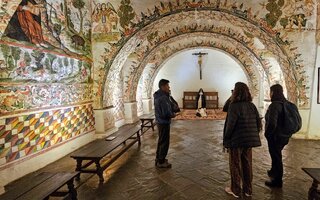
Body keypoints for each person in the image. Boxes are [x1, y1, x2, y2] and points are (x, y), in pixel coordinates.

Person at [223, 82, 262, 198]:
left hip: (236, 141)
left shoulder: (234, 106)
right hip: (248, 140)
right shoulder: (251, 105)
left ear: (235, 92)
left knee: (235, 164)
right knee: (247, 164)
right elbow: (258, 122)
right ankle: (248, 190)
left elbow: (230, 126)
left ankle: (235, 189)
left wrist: (226, 139)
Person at [264, 84, 288, 188]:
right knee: (276, 155)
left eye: (270, 92)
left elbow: (272, 123)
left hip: (275, 136)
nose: (270, 94)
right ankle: (273, 171)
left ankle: (277, 181)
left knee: (277, 157)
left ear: (273, 92)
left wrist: (267, 134)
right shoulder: (286, 104)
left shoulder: (274, 105)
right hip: (284, 135)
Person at [154, 79, 177, 168]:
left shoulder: (158, 95)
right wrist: (173, 115)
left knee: (161, 140)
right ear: (163, 87)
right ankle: (161, 161)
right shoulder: (163, 98)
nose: (169, 87)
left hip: (160, 121)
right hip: (163, 122)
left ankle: (158, 158)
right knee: (164, 142)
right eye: (167, 85)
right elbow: (165, 113)